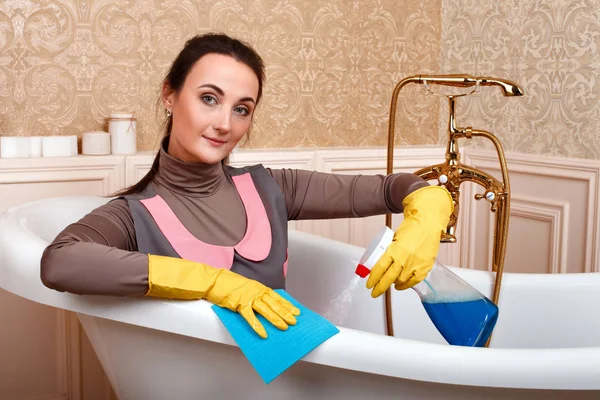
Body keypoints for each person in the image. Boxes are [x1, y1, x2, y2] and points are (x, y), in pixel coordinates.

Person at [40, 32, 453, 339]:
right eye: (208, 98)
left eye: (242, 109)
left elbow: (390, 189)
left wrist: (429, 206)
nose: (224, 123)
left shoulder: (270, 188)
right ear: (170, 95)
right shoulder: (134, 214)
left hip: (285, 375)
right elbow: (59, 262)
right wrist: (217, 283)